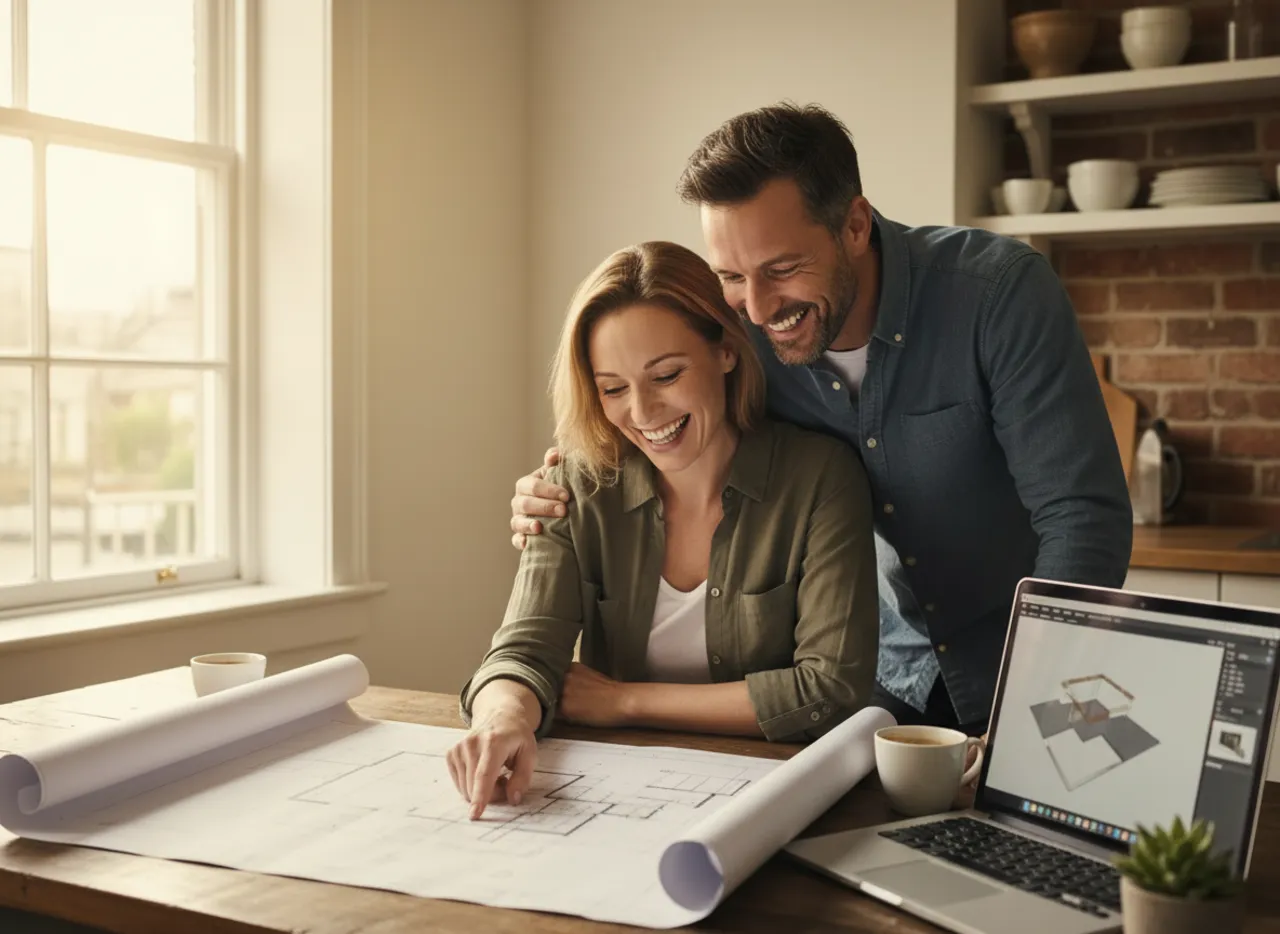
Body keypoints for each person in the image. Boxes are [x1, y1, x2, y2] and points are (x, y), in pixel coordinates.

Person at [509, 103, 1133, 738]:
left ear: (855, 225)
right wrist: (555, 485)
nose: (756, 306)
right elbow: (657, 412)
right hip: (890, 684)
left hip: (1031, 666)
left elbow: (1082, 519)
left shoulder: (996, 295)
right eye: (731, 276)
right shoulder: (746, 333)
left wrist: (1032, 700)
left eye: (782, 269)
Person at [450, 240, 880, 819]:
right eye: (613, 388)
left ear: (725, 351)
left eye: (667, 375)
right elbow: (524, 652)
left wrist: (625, 701)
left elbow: (829, 693)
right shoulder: (575, 483)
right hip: (614, 801)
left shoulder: (821, 478)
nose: (645, 413)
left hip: (774, 803)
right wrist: (503, 718)